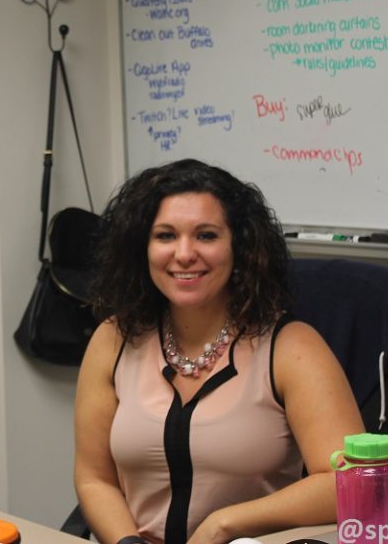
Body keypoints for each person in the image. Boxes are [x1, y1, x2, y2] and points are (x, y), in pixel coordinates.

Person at [74, 159, 363, 544]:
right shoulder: (113, 339)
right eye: (165, 236)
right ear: (141, 248)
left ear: (238, 247)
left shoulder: (292, 347)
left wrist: (223, 525)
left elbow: (350, 485)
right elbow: (94, 478)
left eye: (206, 235)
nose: (184, 253)